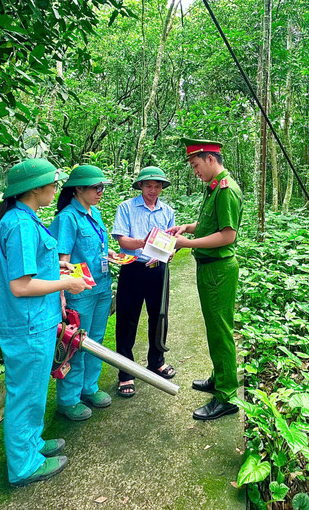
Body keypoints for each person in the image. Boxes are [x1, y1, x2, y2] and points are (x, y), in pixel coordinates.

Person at [0, 158, 91, 486]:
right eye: (52, 184)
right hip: (28, 325)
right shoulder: (21, 224)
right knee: (26, 394)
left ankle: (32, 444)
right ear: (35, 189)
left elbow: (31, 270)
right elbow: (20, 285)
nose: (56, 189)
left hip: (34, 322)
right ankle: (23, 465)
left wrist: (59, 271)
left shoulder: (24, 218)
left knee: (35, 391)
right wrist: (66, 284)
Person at [169, 139, 243, 420]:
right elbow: (212, 224)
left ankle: (226, 396)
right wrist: (187, 227)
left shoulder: (226, 190)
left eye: (196, 165)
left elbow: (227, 236)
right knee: (214, 327)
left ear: (211, 159)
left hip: (219, 270)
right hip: (210, 269)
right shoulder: (214, 188)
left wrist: (186, 243)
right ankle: (219, 377)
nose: (195, 171)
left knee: (220, 330)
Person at [50, 165, 116, 420]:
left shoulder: (95, 213)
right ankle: (68, 400)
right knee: (76, 343)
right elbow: (61, 261)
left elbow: (97, 246)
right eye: (95, 187)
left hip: (101, 286)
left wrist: (108, 255)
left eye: (102, 187)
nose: (101, 192)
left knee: (96, 340)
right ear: (78, 189)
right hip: (80, 292)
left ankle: (89, 387)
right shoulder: (67, 218)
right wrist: (63, 297)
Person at [111, 166, 177, 398]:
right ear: (140, 186)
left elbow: (171, 240)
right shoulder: (126, 208)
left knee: (159, 317)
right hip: (132, 268)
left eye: (157, 186)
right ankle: (125, 372)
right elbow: (122, 240)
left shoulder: (167, 211)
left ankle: (156, 361)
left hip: (158, 270)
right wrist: (143, 242)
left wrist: (170, 252)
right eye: (148, 185)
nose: (153, 189)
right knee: (127, 320)